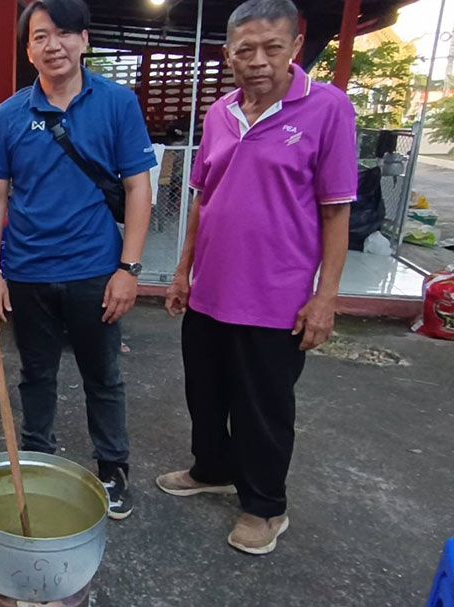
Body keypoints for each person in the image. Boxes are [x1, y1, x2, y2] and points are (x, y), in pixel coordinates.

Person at [157, 0, 356, 555]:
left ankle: (265, 507)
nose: (258, 60)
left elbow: (336, 210)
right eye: (245, 50)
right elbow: (203, 198)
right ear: (229, 55)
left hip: (275, 296)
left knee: (262, 406)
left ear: (296, 46)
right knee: (205, 391)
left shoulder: (328, 109)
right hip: (210, 290)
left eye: (272, 47)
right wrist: (182, 271)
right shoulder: (220, 112)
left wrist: (326, 298)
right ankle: (211, 468)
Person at [0, 0, 157, 521]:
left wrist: (129, 269)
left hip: (94, 271)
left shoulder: (118, 103)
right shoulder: (10, 114)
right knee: (35, 375)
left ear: (83, 40)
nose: (51, 45)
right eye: (39, 36)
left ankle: (112, 467)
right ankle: (36, 461)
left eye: (62, 33)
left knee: (102, 374)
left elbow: (137, 187)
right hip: (27, 272)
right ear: (28, 49)